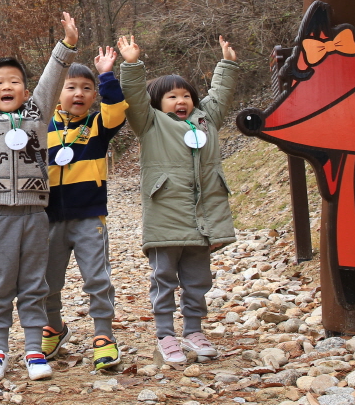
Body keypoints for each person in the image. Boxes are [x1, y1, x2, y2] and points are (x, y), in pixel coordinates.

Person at [0, 13, 78, 382]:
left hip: (35, 215)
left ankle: (33, 349)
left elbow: (51, 78)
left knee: (33, 283)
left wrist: (67, 46)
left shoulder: (38, 114)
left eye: (14, 81)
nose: (6, 85)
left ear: (25, 92)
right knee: (0, 283)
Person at [116, 34, 239, 365]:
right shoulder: (150, 123)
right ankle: (165, 334)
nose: (181, 101)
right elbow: (135, 98)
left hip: (203, 219)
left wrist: (226, 63)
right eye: (172, 96)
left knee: (199, 280)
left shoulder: (205, 120)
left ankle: (194, 330)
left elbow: (220, 96)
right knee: (164, 278)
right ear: (158, 102)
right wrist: (131, 65)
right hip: (165, 218)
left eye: (186, 95)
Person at [40, 46, 130, 371]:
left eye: (87, 88)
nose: (79, 93)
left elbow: (117, 111)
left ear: (94, 95)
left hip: (89, 217)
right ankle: (53, 327)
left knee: (97, 277)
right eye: (71, 86)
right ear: (56, 91)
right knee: (47, 282)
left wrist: (106, 75)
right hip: (48, 219)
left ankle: (103, 336)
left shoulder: (97, 126)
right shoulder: (42, 129)